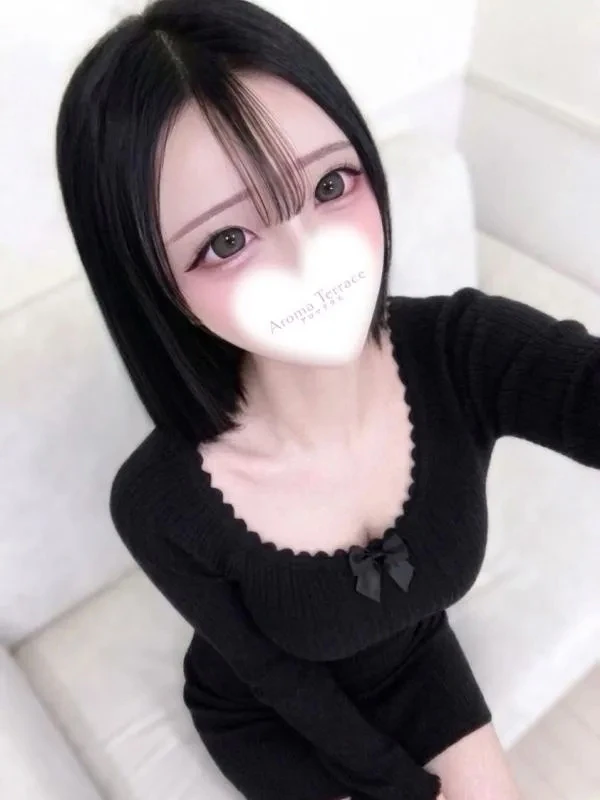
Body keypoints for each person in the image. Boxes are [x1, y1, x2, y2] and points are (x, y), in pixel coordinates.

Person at [55, 1, 600, 798]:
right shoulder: (158, 503)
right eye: (227, 240)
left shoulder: (462, 352)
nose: (312, 259)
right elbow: (276, 678)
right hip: (264, 712)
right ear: (155, 289)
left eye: (331, 183)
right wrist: (395, 787)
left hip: (409, 660)